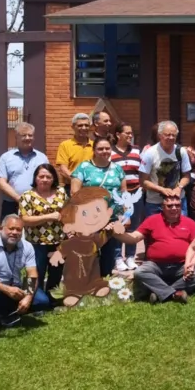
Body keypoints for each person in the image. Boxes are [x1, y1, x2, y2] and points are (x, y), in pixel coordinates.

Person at [110, 194, 195, 304]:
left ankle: (160, 292)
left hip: (181, 265)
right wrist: (116, 234)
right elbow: (134, 237)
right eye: (170, 206)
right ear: (162, 207)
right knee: (140, 272)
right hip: (155, 265)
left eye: (177, 205)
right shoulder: (152, 220)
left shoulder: (190, 222)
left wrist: (191, 265)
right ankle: (174, 293)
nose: (174, 208)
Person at [0, 215, 53, 339]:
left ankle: (6, 314)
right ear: (1, 229)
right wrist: (6, 289)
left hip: (14, 287)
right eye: (11, 228)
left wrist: (28, 297)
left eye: (19, 229)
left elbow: (32, 274)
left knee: (42, 301)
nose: (15, 232)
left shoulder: (27, 247)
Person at [70, 136, 127, 277]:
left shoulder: (118, 169)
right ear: (94, 150)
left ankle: (105, 285)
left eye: (107, 148)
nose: (104, 151)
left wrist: (126, 216)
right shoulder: (83, 167)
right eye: (100, 148)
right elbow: (74, 193)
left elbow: (124, 193)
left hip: (111, 219)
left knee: (109, 256)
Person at [18, 163, 67, 306]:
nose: (45, 179)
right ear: (36, 178)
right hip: (36, 243)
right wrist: (49, 216)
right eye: (41, 176)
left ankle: (52, 300)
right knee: (33, 273)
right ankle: (29, 301)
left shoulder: (61, 192)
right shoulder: (27, 196)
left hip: (59, 241)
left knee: (56, 273)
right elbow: (24, 220)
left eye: (48, 177)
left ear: (53, 179)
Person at [0, 122, 50, 217]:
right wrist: (19, 198)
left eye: (30, 135)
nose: (28, 138)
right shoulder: (6, 157)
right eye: (24, 135)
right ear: (16, 137)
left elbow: (49, 179)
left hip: (37, 203)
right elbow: (1, 183)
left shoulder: (42, 157)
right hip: (12, 204)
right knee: (12, 231)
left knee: (36, 231)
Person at [139, 120, 192, 217]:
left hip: (177, 202)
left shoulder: (181, 151)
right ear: (160, 135)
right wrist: (161, 190)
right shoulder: (150, 153)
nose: (171, 138)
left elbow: (187, 176)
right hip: (155, 203)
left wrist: (179, 188)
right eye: (167, 135)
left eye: (174, 135)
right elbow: (143, 181)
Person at [111, 123, 143, 271]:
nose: (130, 136)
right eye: (127, 133)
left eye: (131, 133)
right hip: (118, 196)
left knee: (133, 226)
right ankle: (118, 257)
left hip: (135, 194)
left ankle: (130, 257)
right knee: (120, 226)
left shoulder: (137, 151)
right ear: (118, 134)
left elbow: (142, 171)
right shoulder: (110, 151)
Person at [55, 113, 94, 191]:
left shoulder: (95, 145)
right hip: (71, 187)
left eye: (86, 125)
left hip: (92, 187)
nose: (84, 128)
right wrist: (77, 181)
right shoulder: (65, 145)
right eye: (80, 125)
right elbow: (63, 169)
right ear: (73, 127)